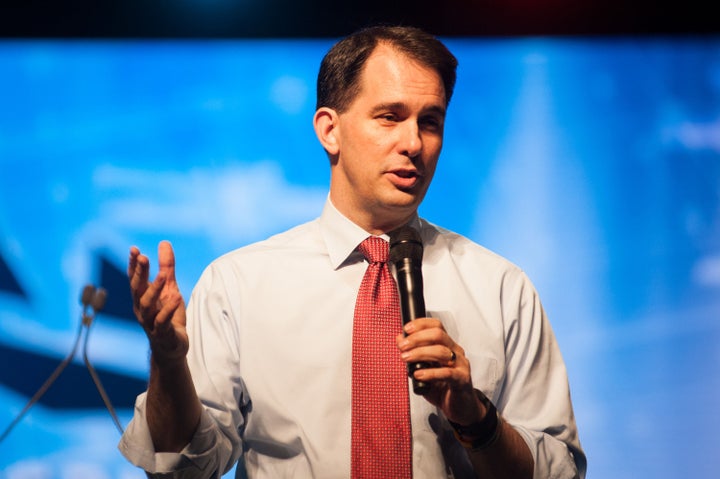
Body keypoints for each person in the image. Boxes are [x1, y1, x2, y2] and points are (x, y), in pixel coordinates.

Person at [119, 25, 586, 479]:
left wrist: (476, 419)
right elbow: (181, 468)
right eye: (390, 116)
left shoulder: (501, 288)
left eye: (431, 122)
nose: (413, 143)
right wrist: (167, 360)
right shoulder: (239, 284)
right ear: (329, 130)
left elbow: (560, 472)